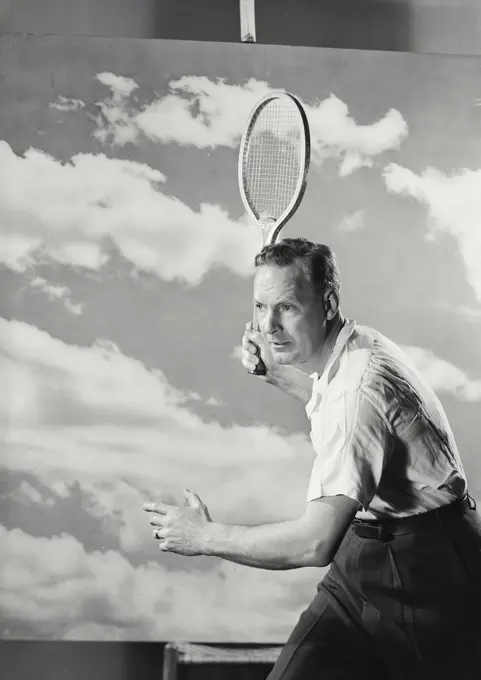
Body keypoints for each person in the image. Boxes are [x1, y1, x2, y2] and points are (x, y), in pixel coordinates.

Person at [143, 238, 481, 679]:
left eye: (287, 308)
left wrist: (204, 536)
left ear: (328, 302)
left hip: (431, 570)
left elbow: (314, 542)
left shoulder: (359, 391)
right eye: (261, 307)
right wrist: (276, 371)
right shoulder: (355, 345)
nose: (268, 325)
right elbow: (334, 402)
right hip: (364, 551)